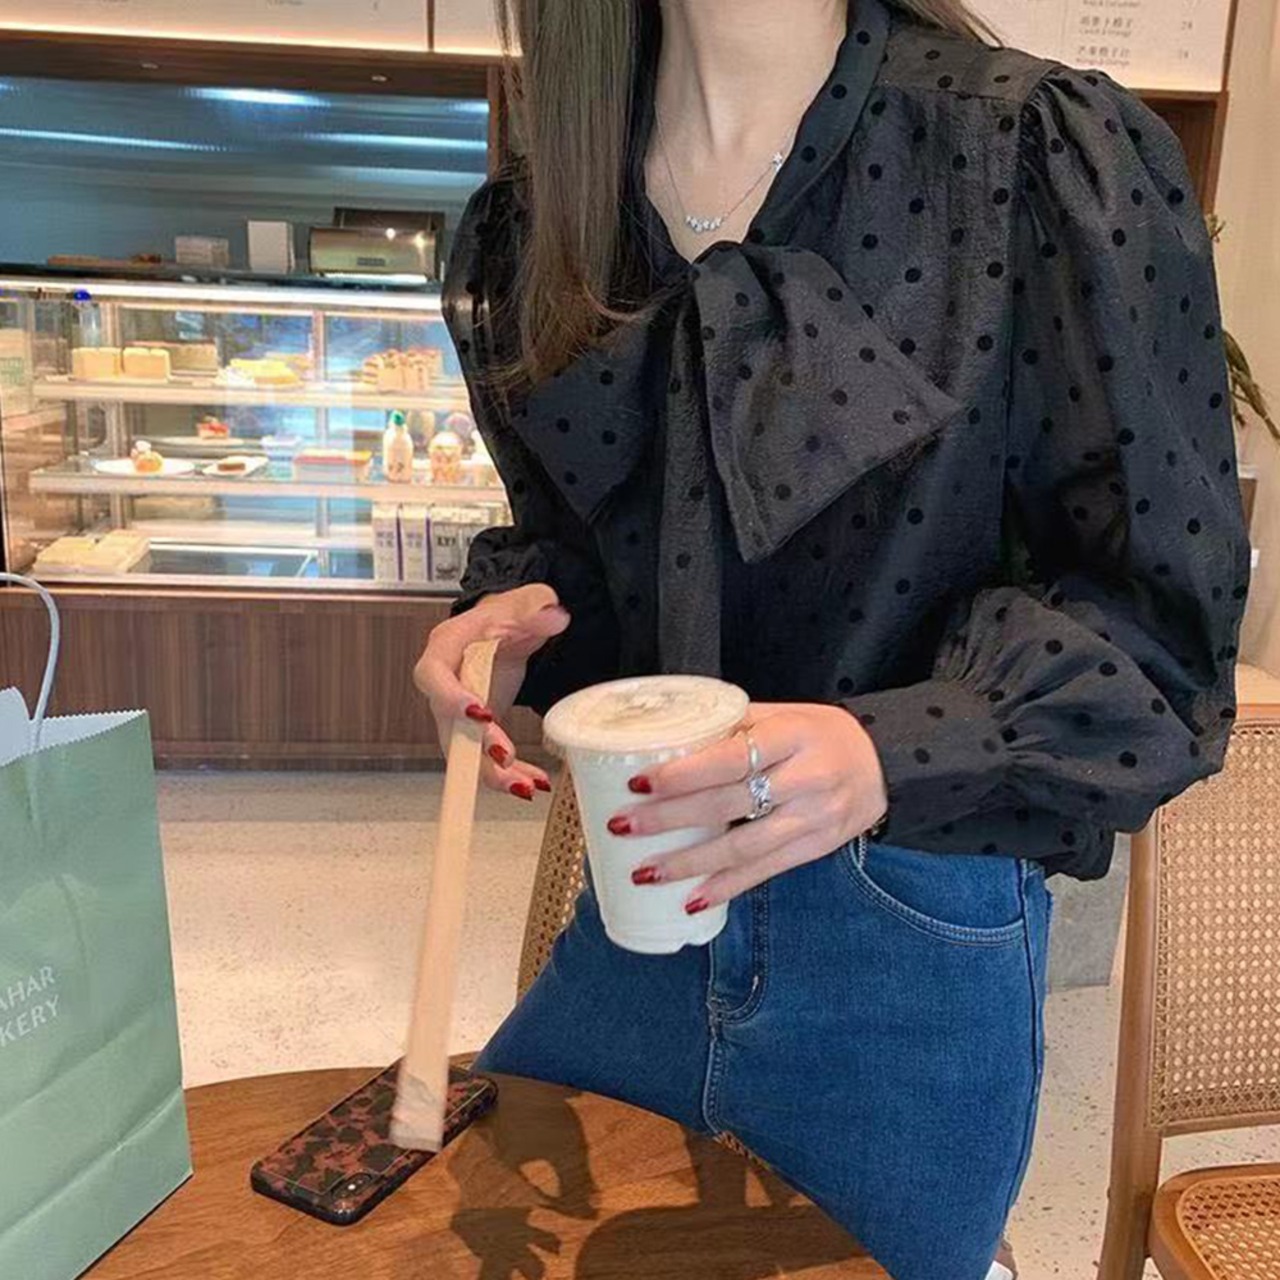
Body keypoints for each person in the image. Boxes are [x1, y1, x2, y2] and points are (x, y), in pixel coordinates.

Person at [415, 1, 1251, 1276]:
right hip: (639, 910)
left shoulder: (1028, 155)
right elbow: (587, 545)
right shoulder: (548, 217)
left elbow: (1161, 628)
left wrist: (886, 748)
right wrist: (512, 621)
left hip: (909, 938)